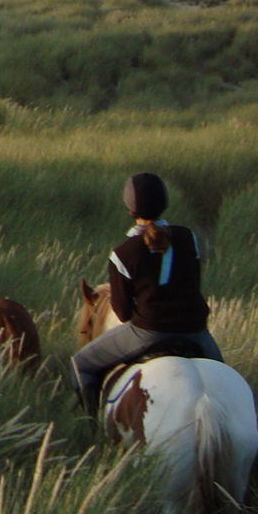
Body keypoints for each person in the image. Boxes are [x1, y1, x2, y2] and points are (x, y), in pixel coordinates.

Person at [71, 173, 223, 412]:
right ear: (164, 205)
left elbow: (122, 313)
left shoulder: (122, 254)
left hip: (149, 333)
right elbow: (194, 284)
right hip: (196, 332)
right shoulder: (188, 238)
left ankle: (92, 431)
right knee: (224, 378)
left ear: (131, 212)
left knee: (81, 364)